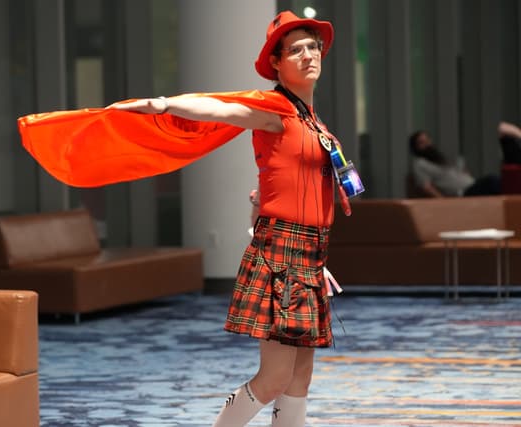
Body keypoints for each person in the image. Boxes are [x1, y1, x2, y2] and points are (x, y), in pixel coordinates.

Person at [18, 10, 353, 427]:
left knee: (301, 375)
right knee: (274, 378)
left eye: (313, 46)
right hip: (282, 253)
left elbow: (290, 182)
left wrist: (309, 253)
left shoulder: (310, 118)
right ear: (277, 64)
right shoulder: (275, 108)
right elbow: (218, 108)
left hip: (307, 253)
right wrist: (164, 103)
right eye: (296, 49)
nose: (308, 55)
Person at [408, 130, 500, 197]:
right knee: (492, 180)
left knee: (497, 183)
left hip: (472, 185)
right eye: (422, 143)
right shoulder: (420, 164)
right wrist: (444, 202)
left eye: (427, 140)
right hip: (462, 193)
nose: (427, 144)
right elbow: (426, 187)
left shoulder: (438, 160)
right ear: (416, 148)